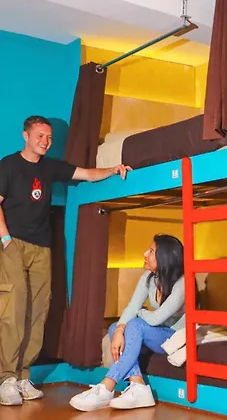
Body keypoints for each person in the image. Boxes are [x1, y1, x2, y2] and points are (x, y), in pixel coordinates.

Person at [0, 115, 131, 406]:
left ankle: (23, 376)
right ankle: (6, 378)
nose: (45, 142)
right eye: (40, 136)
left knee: (39, 310)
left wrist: (113, 169)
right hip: (13, 245)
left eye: (49, 137)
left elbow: (86, 174)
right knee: (14, 309)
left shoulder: (50, 167)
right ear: (26, 136)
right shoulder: (8, 165)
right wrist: (5, 238)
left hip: (42, 247)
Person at [69, 234, 185, 412]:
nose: (145, 254)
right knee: (114, 327)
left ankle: (107, 386)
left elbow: (155, 318)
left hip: (174, 337)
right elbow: (131, 307)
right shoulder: (149, 278)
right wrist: (119, 329)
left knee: (135, 324)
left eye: (151, 251)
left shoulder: (183, 284)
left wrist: (138, 313)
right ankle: (138, 386)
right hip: (155, 332)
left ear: (165, 257)